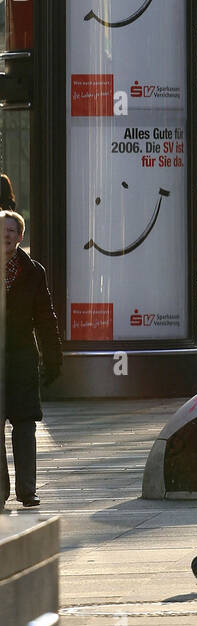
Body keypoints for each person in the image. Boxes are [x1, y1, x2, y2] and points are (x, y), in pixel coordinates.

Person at [1, 212, 62, 510]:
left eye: (12, 230)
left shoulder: (33, 271)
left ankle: (28, 490)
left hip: (23, 356)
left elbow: (46, 317)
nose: (6, 234)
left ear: (20, 236)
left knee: (25, 424)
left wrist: (53, 359)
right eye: (2, 229)